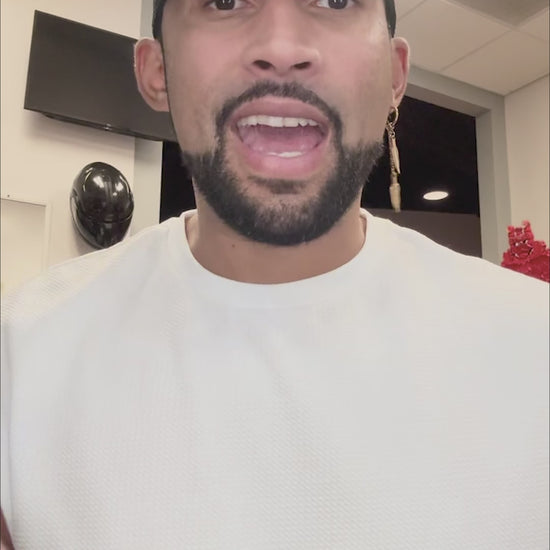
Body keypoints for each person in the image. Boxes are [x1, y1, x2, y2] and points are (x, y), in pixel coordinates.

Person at [1, 0, 548, 548]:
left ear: (394, 74)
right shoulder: (22, 355)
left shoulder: (533, 346)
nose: (282, 48)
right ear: (157, 71)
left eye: (334, 0)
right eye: (224, 1)